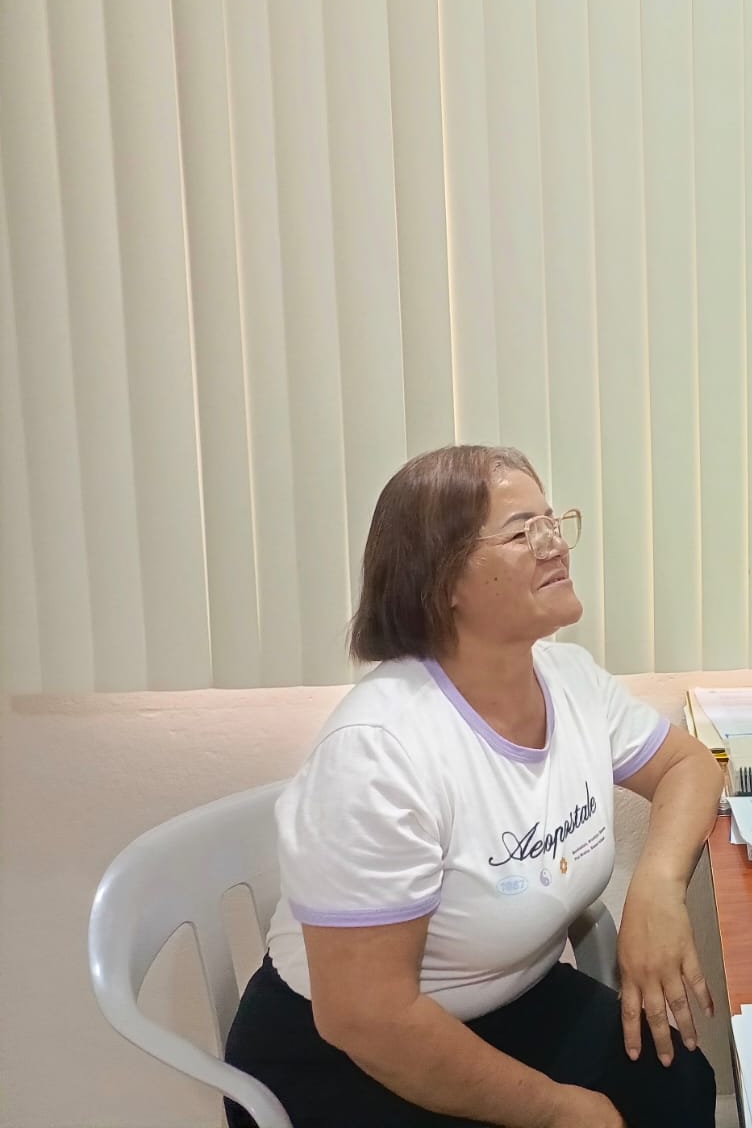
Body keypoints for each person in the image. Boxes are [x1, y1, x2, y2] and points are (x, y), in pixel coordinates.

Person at [225, 445, 723, 1128]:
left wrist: (659, 885)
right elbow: (368, 1018)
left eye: (553, 522)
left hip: (512, 998)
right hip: (347, 1055)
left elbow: (689, 765)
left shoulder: (569, 680)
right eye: (522, 533)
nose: (555, 544)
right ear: (441, 581)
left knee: (678, 1081)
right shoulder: (378, 754)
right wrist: (557, 1111)